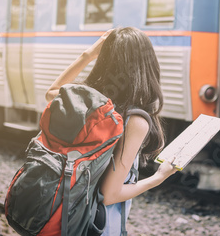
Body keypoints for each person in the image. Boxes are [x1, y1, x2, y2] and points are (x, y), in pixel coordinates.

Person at [45, 27, 178, 235]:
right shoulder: (134, 120)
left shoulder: (85, 101)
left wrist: (88, 55)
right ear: (148, 64)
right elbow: (109, 194)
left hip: (66, 216)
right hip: (98, 226)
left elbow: (51, 93)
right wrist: (158, 178)